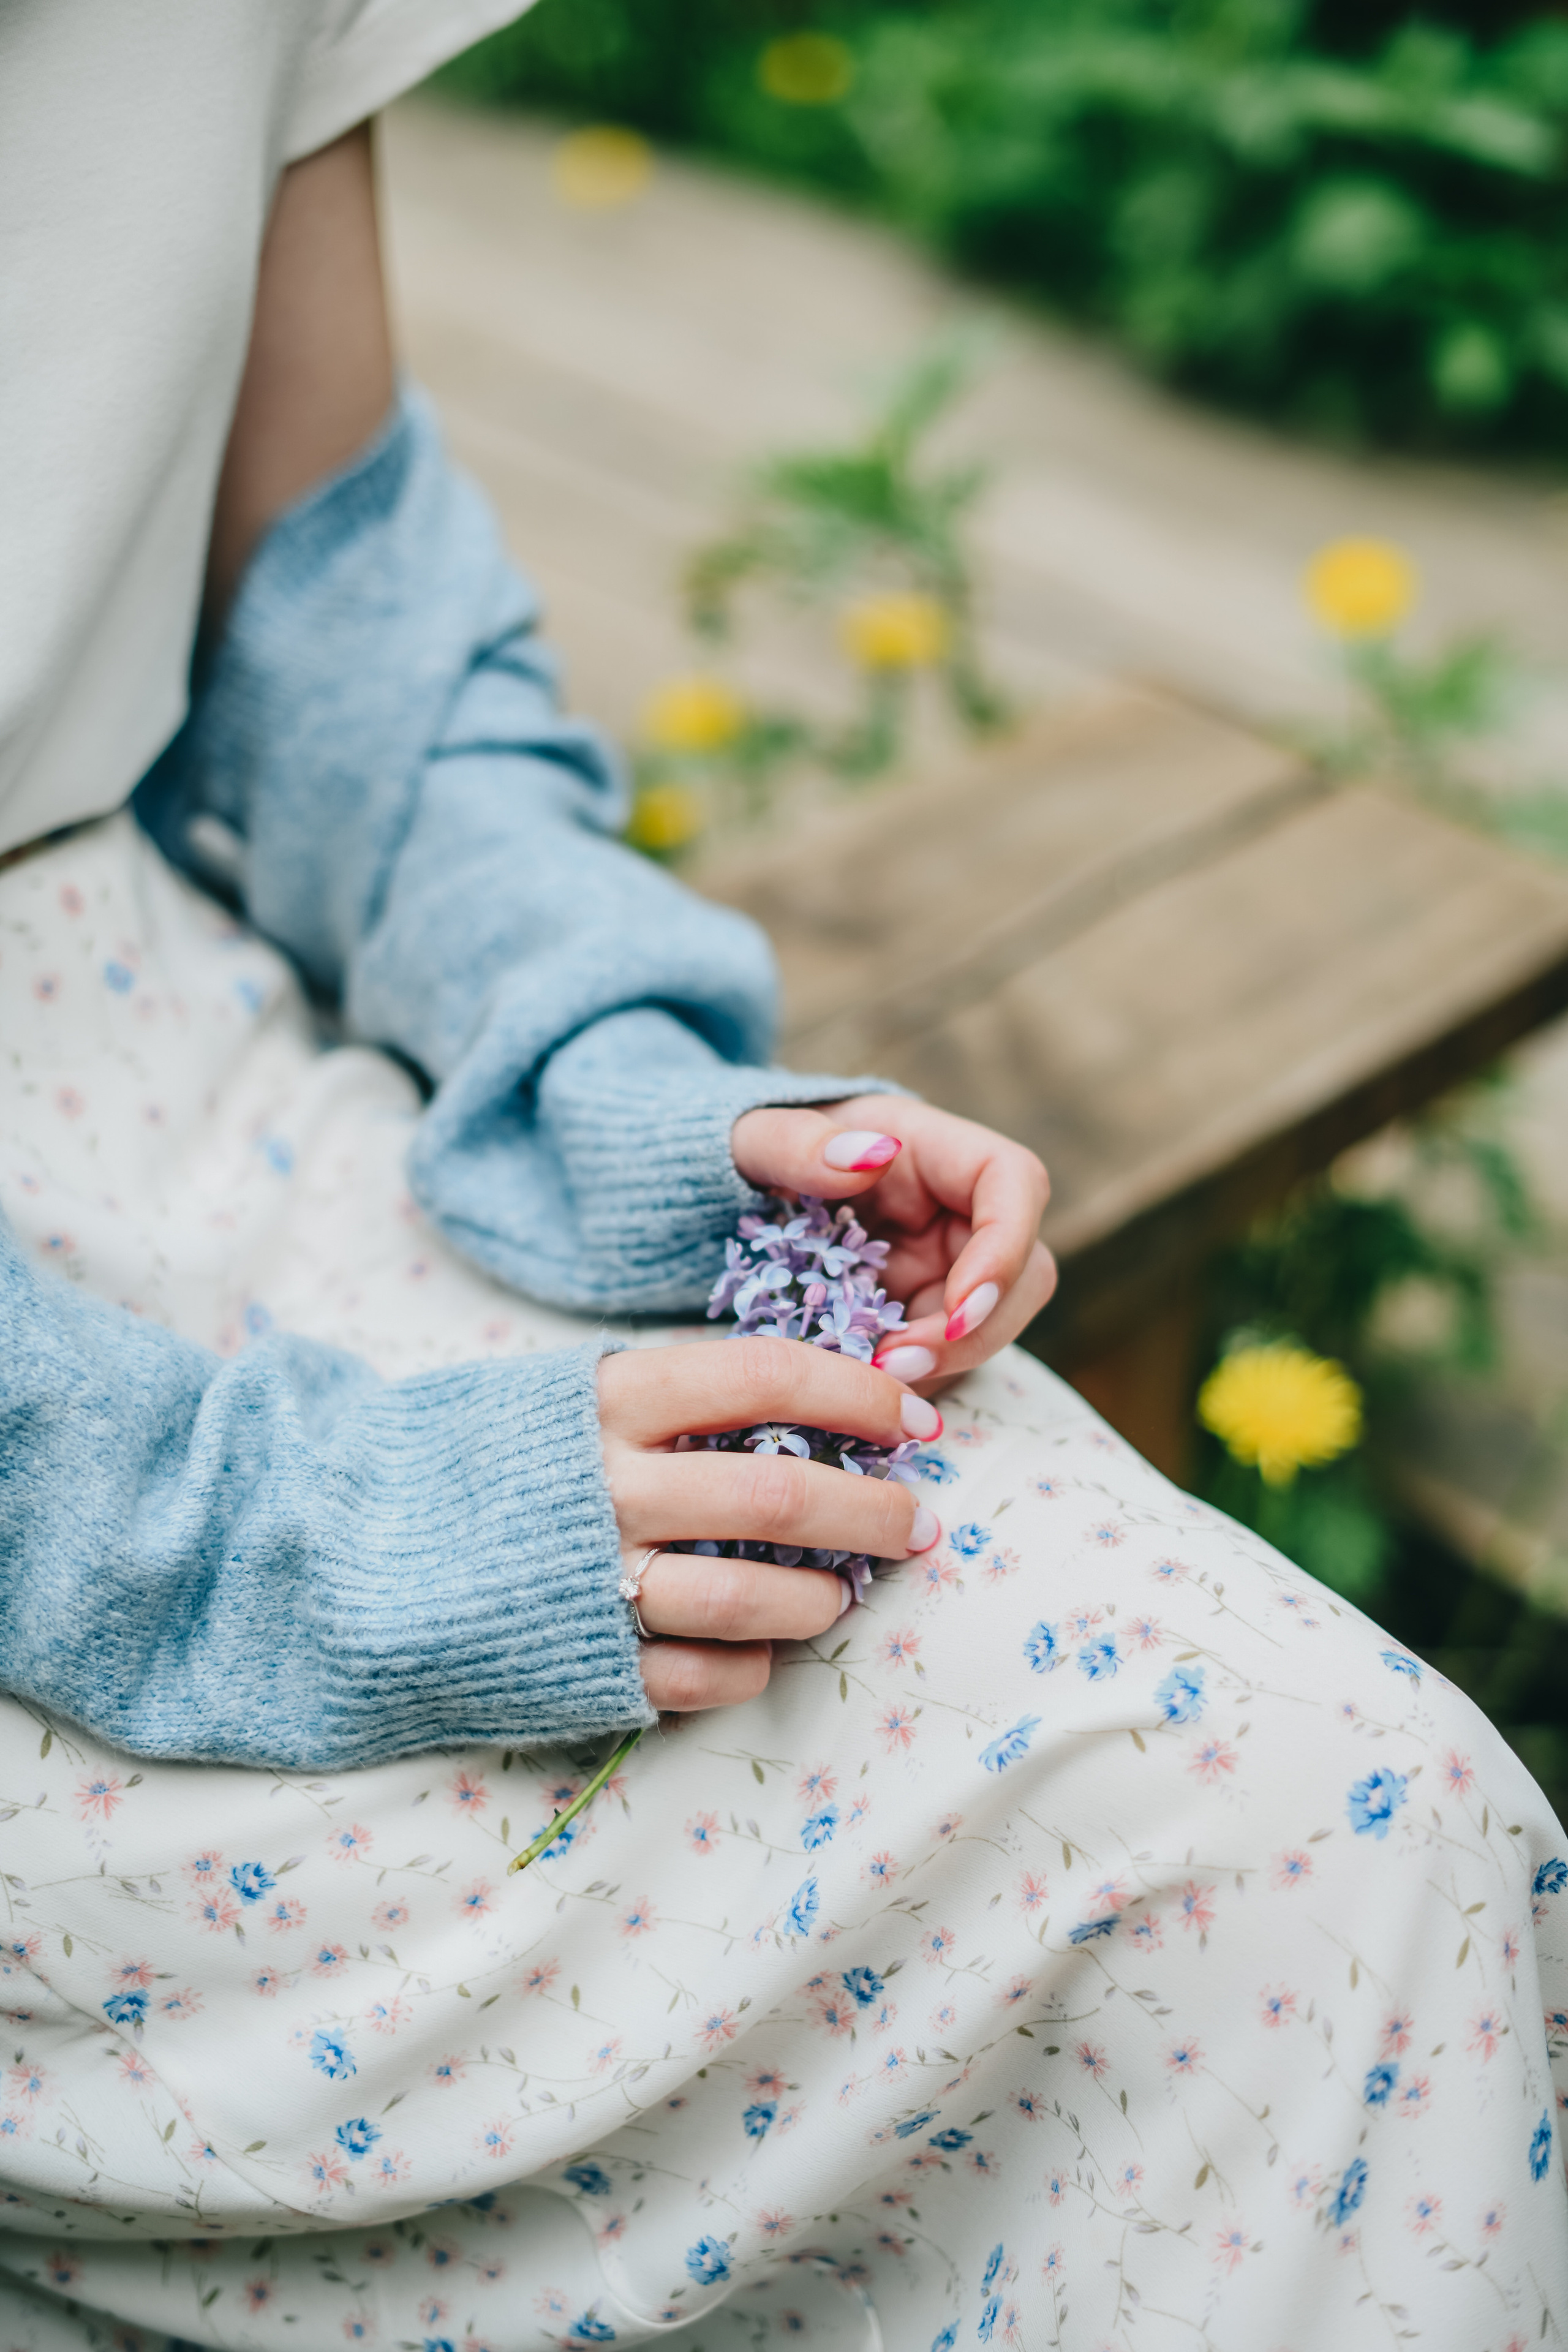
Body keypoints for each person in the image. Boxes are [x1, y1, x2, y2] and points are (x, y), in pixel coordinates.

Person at [0, 8, 1563, 2347]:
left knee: (1353, 1821)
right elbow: (251, 1527)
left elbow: (357, 656)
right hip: (102, 1483)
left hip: (175, 1078)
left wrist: (635, 1096)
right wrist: (300, 1534)